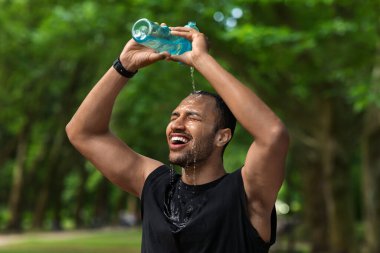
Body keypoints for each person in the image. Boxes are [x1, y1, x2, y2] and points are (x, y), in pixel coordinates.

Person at [66, 23, 289, 253]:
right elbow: (83, 132)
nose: (177, 124)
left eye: (192, 117)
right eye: (174, 116)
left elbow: (272, 134)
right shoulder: (155, 185)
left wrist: (201, 60)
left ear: (222, 137)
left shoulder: (247, 193)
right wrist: (123, 66)